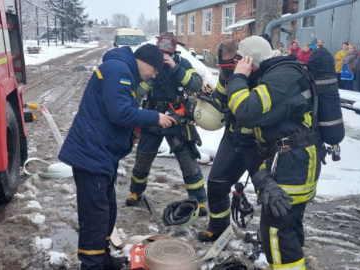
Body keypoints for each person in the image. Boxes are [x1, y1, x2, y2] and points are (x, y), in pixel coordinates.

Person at [58, 44, 176, 270]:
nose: (154, 75)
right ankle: (91, 265)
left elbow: (114, 113)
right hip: (91, 154)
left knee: (107, 210)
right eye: (156, 69)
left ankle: (102, 259)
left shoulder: (122, 70)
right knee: (95, 216)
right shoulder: (119, 70)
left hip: (101, 154)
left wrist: (133, 131)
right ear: (148, 62)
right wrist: (155, 117)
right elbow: (120, 112)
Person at [226, 36, 327, 270]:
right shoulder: (281, 73)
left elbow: (246, 110)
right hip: (293, 160)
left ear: (250, 61)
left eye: (242, 62)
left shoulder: (281, 78)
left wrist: (239, 78)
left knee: (276, 233)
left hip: (292, 163)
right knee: (288, 227)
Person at [125, 33, 209, 215]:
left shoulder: (182, 63)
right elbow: (137, 91)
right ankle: (135, 192)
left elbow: (196, 84)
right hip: (153, 117)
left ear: (174, 49)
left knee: (188, 161)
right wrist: (152, 77)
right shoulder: (149, 65)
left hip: (177, 118)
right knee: (143, 158)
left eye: (168, 50)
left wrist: (176, 68)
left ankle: (199, 200)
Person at [196, 40, 264, 242]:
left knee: (268, 192)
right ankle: (218, 227)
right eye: (225, 68)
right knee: (216, 183)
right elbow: (219, 97)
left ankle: (267, 237)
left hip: (259, 143)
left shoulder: (264, 77)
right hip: (234, 138)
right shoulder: (227, 76)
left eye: (232, 67)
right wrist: (207, 106)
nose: (229, 72)